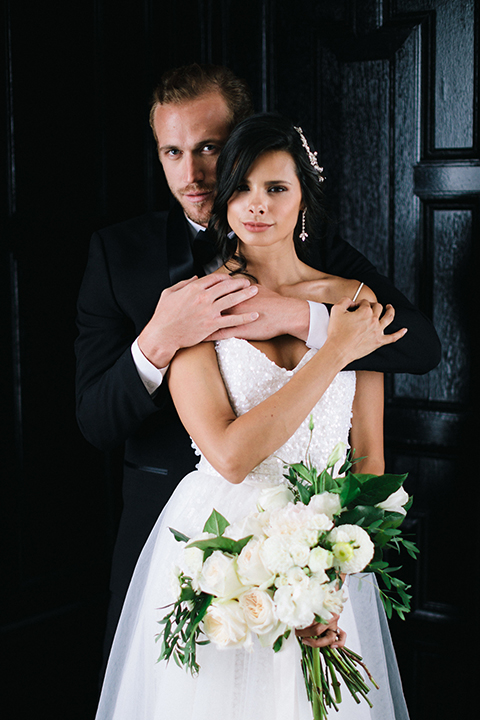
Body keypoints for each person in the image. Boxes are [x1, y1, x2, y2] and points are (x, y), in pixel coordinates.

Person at [75, 63, 440, 663]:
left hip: (315, 544)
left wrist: (306, 321)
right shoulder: (121, 256)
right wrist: (157, 342)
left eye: (210, 148)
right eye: (172, 152)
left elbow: (415, 349)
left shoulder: (323, 259)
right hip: (177, 535)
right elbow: (95, 421)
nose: (192, 173)